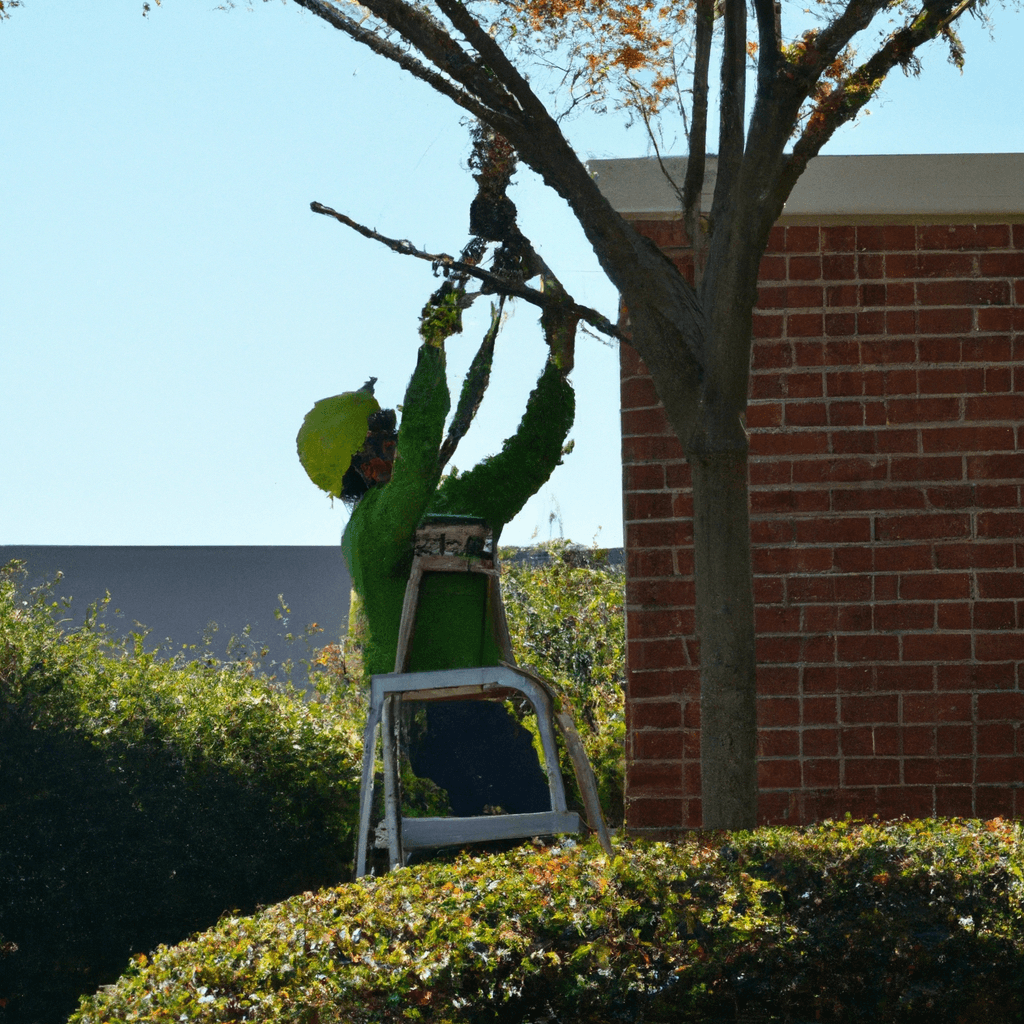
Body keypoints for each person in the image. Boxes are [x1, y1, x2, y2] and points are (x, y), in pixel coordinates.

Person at [298, 275, 576, 816]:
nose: (398, 442)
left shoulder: (447, 509)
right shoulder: (372, 531)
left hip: (479, 708)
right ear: (361, 461)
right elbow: (422, 460)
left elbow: (527, 459)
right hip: (422, 725)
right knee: (518, 836)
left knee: (546, 830)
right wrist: (433, 351)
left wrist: (557, 369)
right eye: (385, 435)